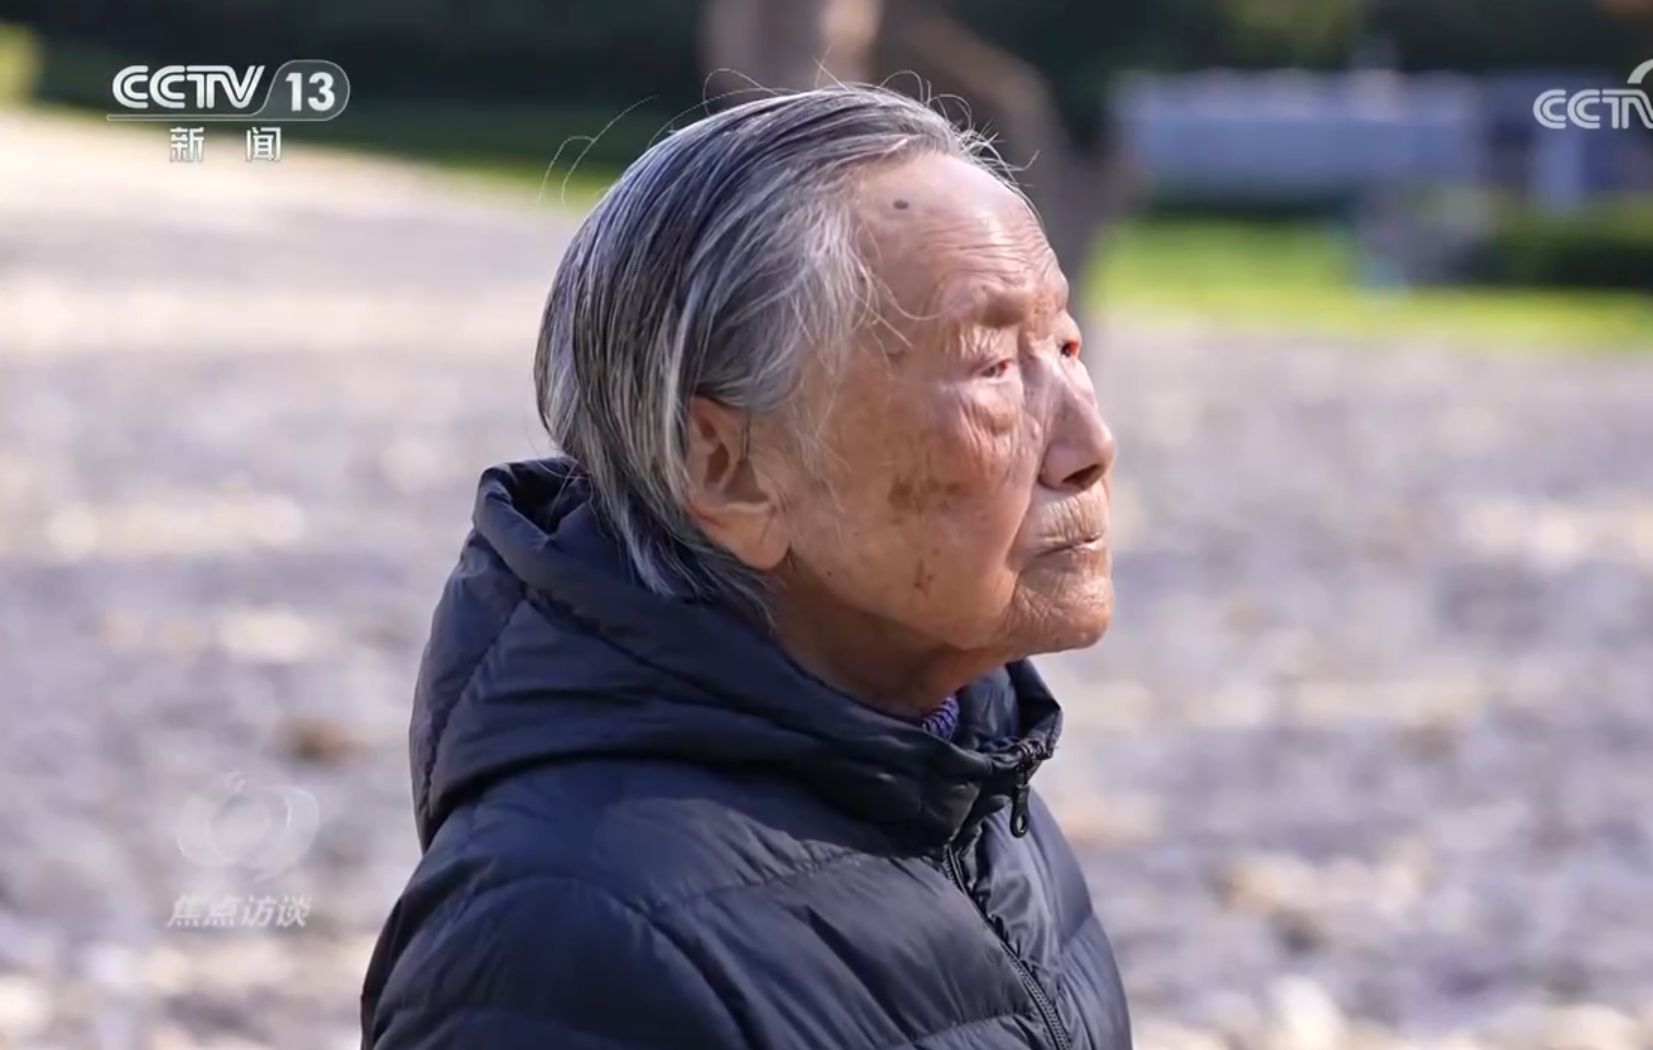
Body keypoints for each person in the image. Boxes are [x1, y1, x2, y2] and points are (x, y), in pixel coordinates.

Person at [360, 84, 1129, 1049]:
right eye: (992, 367)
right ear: (728, 468)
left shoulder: (964, 773)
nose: (1090, 443)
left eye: (1064, 345)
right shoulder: (566, 944)